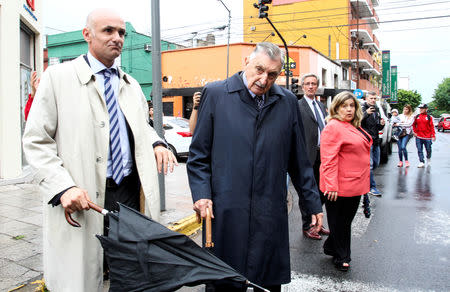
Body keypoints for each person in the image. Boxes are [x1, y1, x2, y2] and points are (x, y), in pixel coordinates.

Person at [22, 8, 177, 292]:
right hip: (82, 196)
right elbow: (35, 141)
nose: (117, 38)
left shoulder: (130, 86)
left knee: (132, 276)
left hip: (129, 197)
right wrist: (63, 187)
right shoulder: (57, 79)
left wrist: (156, 141)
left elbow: (141, 126)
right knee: (81, 278)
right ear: (87, 34)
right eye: (108, 31)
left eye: (121, 33)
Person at [187, 42, 323, 292]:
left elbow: (300, 162)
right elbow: (198, 156)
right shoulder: (216, 94)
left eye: (272, 74)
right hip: (226, 209)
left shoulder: (287, 102)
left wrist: (312, 203)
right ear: (246, 62)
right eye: (259, 69)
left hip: (269, 209)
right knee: (224, 281)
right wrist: (202, 195)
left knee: (268, 281)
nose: (263, 79)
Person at [320, 91, 372, 272]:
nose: (349, 109)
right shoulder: (333, 127)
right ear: (336, 108)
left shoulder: (353, 125)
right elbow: (328, 159)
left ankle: (330, 246)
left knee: (344, 222)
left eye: (352, 105)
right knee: (339, 223)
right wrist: (331, 185)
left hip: (356, 184)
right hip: (338, 186)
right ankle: (343, 257)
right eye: (344, 106)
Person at [297, 73, 330, 240]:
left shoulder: (321, 106)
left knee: (321, 191)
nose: (311, 86)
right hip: (306, 155)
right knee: (306, 192)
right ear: (303, 86)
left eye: (314, 84)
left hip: (322, 155)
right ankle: (307, 225)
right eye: (308, 83)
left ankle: (317, 221)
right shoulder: (298, 106)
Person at [361, 92, 385, 197]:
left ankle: (365, 181)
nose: (373, 100)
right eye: (371, 98)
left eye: (375, 98)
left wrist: (382, 125)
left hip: (376, 140)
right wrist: (366, 113)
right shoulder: (362, 108)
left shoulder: (377, 109)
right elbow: (357, 121)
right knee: (369, 165)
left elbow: (378, 127)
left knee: (376, 163)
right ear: (367, 98)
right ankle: (371, 187)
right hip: (366, 140)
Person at [412, 103, 435, 168]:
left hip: (427, 137)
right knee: (419, 149)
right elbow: (413, 125)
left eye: (422, 108)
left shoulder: (429, 117)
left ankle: (428, 157)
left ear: (426, 109)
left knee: (428, 149)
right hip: (419, 136)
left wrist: (433, 135)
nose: (421, 110)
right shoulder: (417, 116)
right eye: (420, 108)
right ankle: (421, 161)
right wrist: (415, 132)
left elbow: (432, 126)